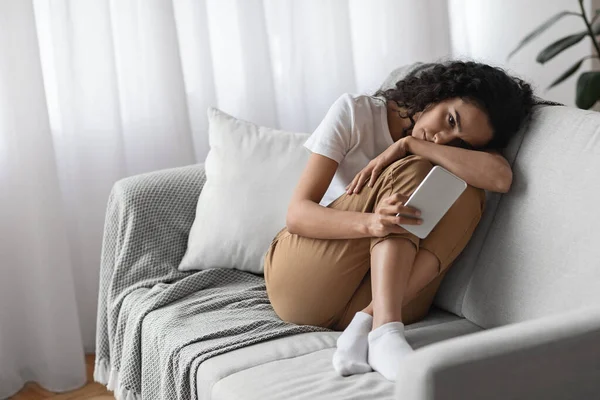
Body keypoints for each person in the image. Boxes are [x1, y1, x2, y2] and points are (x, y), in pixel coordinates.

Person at [263, 61, 535, 381]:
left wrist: (408, 145)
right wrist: (371, 223)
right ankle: (386, 331)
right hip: (306, 278)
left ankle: (368, 325)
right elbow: (297, 214)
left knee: (468, 190)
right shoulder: (356, 112)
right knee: (418, 169)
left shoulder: (424, 146)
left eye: (460, 143)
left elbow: (500, 178)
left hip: (382, 295)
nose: (441, 139)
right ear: (440, 93)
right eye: (449, 120)